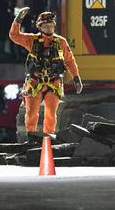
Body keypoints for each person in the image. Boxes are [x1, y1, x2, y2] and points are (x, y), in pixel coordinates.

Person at [8, 7, 81, 136]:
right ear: (40, 27)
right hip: (35, 83)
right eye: (46, 26)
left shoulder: (60, 42)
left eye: (51, 25)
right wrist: (18, 20)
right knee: (31, 114)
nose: (49, 28)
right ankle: (31, 138)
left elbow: (69, 60)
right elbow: (14, 36)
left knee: (51, 114)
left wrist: (76, 77)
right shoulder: (32, 40)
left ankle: (49, 139)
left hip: (54, 83)